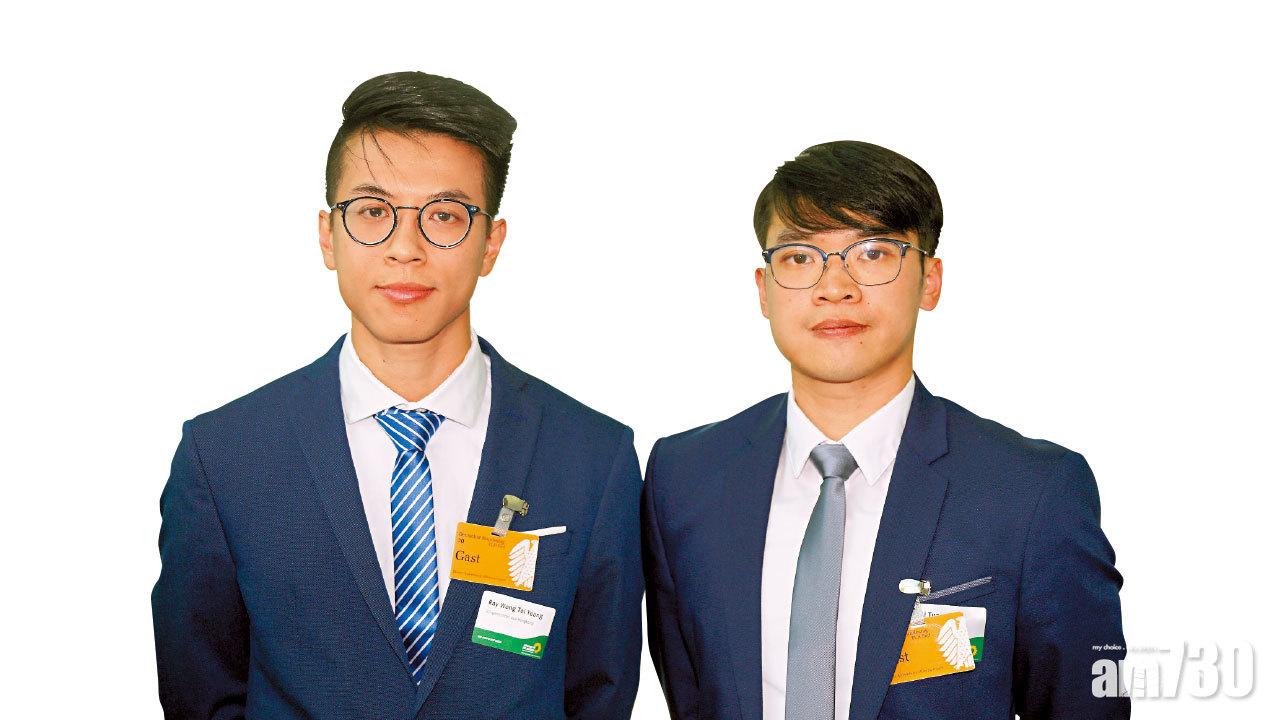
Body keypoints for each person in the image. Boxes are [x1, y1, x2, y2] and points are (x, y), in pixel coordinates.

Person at [152, 71, 642, 719]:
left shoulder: (593, 458)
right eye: (372, 212)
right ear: (327, 235)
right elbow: (200, 694)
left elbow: (599, 691)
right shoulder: (224, 457)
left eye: (444, 216)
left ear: (490, 244)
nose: (405, 249)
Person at [641, 141, 1129, 719]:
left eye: (872, 253)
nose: (835, 286)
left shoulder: (1031, 490)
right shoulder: (685, 478)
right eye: (799, 257)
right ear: (763, 289)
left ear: (930, 281)